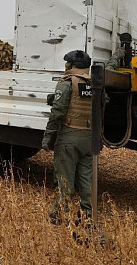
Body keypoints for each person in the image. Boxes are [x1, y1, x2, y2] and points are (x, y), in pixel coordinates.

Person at [41, 50, 93, 221]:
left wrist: (48, 136)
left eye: (67, 63)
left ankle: (62, 213)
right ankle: (87, 214)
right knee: (85, 178)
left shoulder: (67, 83)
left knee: (64, 176)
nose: (65, 65)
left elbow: (58, 112)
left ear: (72, 65)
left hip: (69, 136)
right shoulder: (94, 84)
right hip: (89, 137)